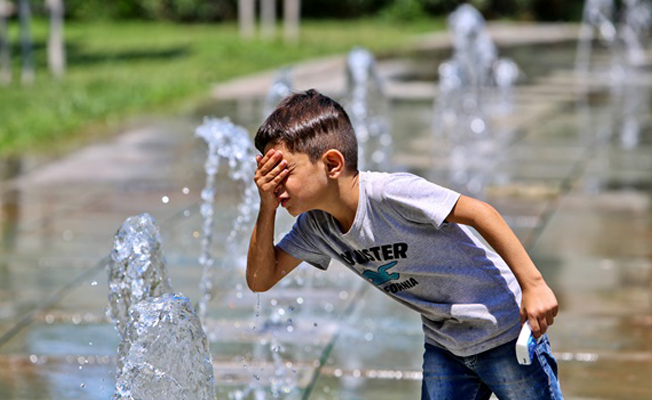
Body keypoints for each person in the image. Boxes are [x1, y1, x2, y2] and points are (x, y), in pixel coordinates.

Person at [246, 89, 562, 400]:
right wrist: (267, 207)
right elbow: (261, 279)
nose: (274, 184)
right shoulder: (316, 227)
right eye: (268, 174)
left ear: (332, 164)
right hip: (445, 343)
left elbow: (481, 213)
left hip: (503, 330)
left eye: (282, 171)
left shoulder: (390, 194)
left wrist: (533, 285)